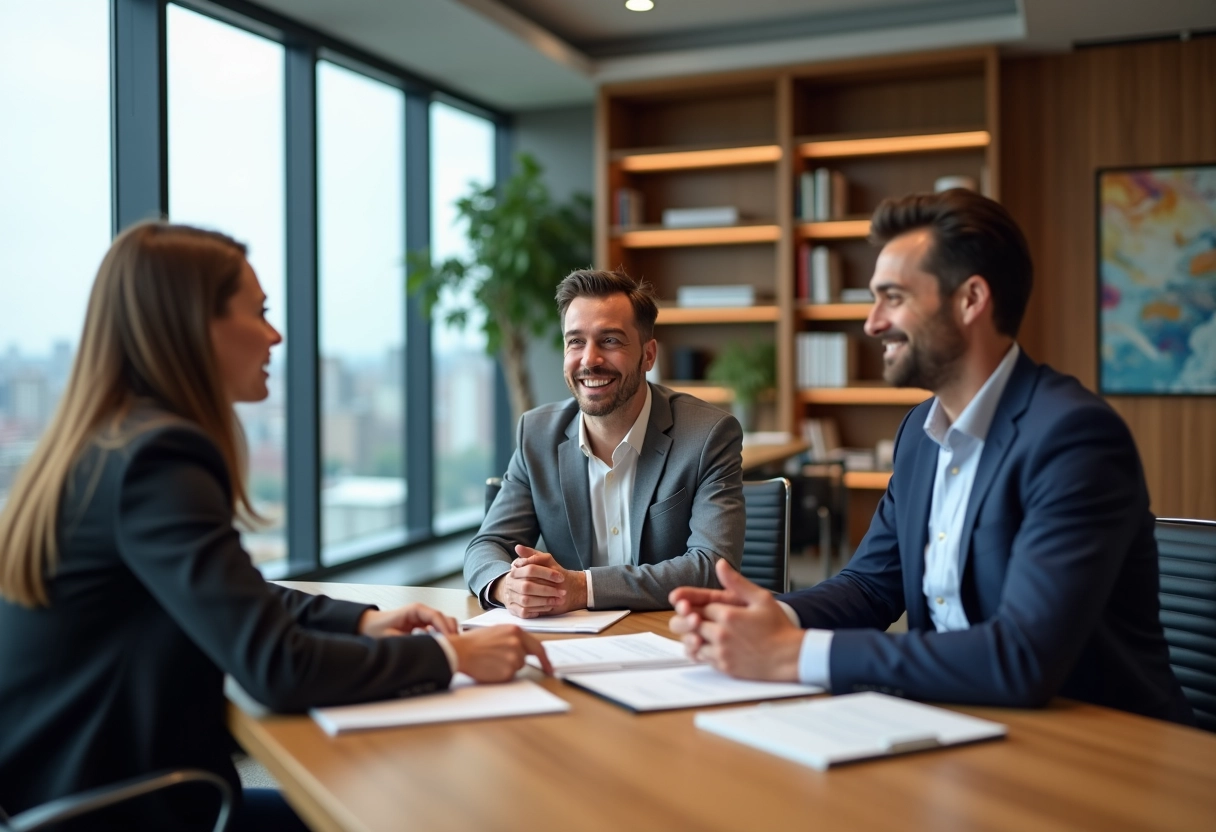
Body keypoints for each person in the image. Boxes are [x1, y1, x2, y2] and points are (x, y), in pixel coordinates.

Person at [0, 222, 552, 832]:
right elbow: (276, 669)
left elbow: (237, 596)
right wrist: (452, 655)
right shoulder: (158, 460)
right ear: (192, 325)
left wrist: (364, 620)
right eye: (258, 312)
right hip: (124, 809)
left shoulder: (106, 443)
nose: (275, 334)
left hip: (63, 790)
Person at [670, 190, 1193, 725]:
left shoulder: (1074, 437)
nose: (872, 323)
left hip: (1101, 744)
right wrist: (767, 615)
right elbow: (871, 586)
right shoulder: (920, 433)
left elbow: (1024, 656)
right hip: (958, 720)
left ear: (970, 300)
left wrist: (793, 653)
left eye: (893, 297)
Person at [465, 269, 745, 617]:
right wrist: (509, 585)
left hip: (672, 637)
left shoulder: (708, 435)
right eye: (576, 341)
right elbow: (487, 545)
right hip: (570, 642)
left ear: (648, 355)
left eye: (610, 340)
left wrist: (582, 588)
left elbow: (713, 567)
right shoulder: (536, 434)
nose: (589, 360)